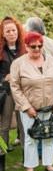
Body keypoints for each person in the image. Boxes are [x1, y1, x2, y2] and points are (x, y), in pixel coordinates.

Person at [10, 32, 53, 171]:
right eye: (33, 46)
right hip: (30, 108)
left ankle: (49, 164)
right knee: (30, 138)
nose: (37, 49)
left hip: (50, 106)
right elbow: (15, 87)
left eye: (40, 46)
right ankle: (30, 166)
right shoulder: (18, 64)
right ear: (26, 46)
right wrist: (26, 107)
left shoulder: (51, 60)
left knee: (50, 135)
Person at [0, 16, 26, 153]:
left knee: (23, 124)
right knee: (5, 124)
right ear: (3, 33)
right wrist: (4, 77)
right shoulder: (1, 51)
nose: (11, 33)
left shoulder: (24, 48)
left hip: (22, 91)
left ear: (18, 31)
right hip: (7, 92)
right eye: (8, 31)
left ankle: (26, 154)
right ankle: (2, 155)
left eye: (13, 30)